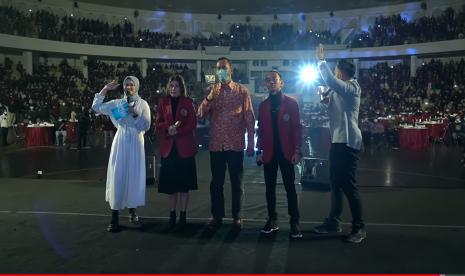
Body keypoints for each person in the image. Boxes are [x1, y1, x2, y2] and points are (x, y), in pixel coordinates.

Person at [313, 44, 366, 243]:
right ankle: (333, 221)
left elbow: (331, 82)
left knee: (349, 186)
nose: (334, 74)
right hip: (338, 141)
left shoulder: (352, 87)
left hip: (348, 142)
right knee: (335, 184)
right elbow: (332, 101)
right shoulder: (339, 91)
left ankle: (359, 227)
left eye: (336, 71)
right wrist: (324, 98)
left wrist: (320, 61)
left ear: (342, 73)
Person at [197, 57, 255, 231]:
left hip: (236, 144)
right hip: (216, 144)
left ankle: (237, 216)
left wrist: (251, 142)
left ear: (231, 70)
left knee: (237, 182)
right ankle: (217, 216)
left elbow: (249, 117)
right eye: (218, 68)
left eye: (224, 68)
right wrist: (208, 99)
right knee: (216, 183)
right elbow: (199, 114)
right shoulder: (211, 90)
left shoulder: (242, 91)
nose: (220, 70)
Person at [91, 76, 151, 232]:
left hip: (136, 141)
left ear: (136, 87)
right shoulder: (117, 103)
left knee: (133, 174)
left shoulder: (143, 103)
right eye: (126, 85)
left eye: (132, 85)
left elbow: (147, 125)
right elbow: (96, 107)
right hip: (121, 139)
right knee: (118, 174)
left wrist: (135, 113)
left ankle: (132, 211)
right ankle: (114, 215)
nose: (129, 87)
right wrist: (105, 89)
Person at [256, 70, 303, 239]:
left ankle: (294, 222)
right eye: (267, 80)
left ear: (281, 83)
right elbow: (260, 130)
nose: (271, 82)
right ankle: (272, 219)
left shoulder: (292, 103)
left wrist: (297, 150)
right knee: (269, 188)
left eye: (274, 79)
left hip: (287, 152)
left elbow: (297, 128)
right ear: (265, 84)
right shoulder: (262, 106)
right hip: (269, 153)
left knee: (290, 188)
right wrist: (259, 151)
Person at [156, 75, 198, 228]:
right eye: (171, 85)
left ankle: (183, 216)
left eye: (177, 86)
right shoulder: (163, 103)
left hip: (185, 150)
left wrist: (177, 132)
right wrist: (168, 128)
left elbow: (192, 123)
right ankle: (172, 214)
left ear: (182, 88)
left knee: (184, 186)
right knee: (171, 186)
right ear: (168, 87)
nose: (173, 88)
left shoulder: (188, 103)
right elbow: (158, 123)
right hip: (169, 150)